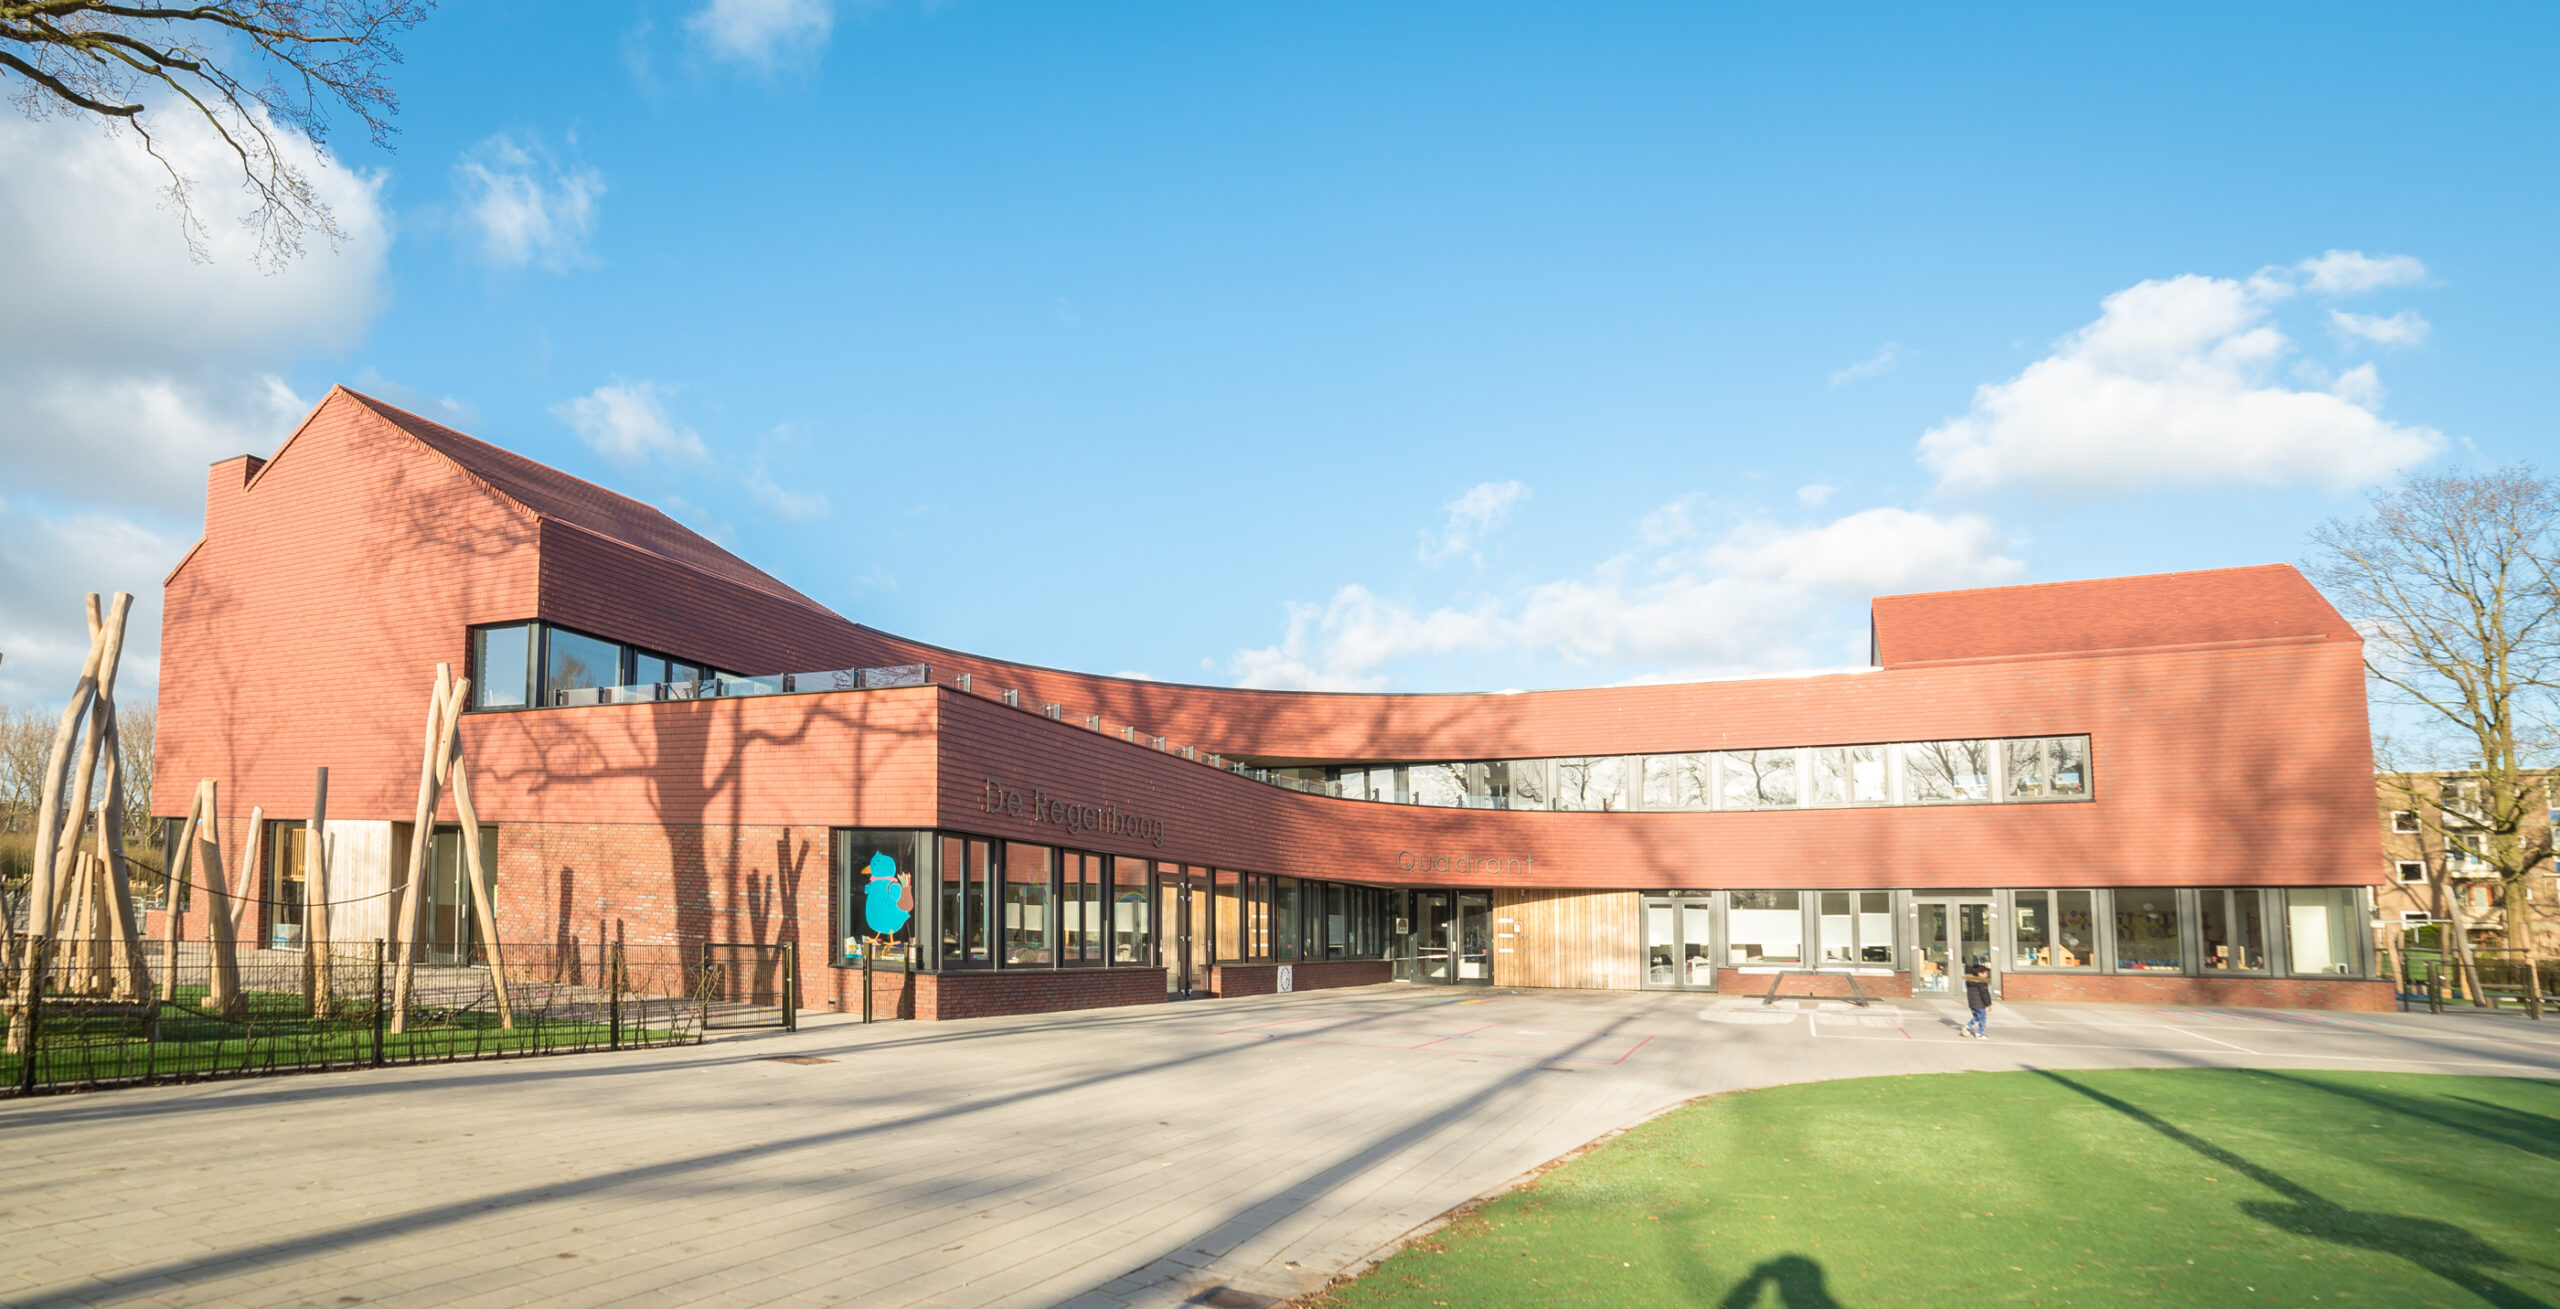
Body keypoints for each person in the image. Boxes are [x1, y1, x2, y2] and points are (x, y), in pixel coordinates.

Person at [1962, 963, 1992, 1039]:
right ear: (1979, 974)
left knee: (1977, 1016)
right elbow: (1984, 994)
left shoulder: (1970, 982)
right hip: (1979, 1003)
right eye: (1985, 973)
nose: (1986, 974)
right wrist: (1988, 1004)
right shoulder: (1981, 983)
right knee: (1982, 1017)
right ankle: (1979, 1033)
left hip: (1972, 1003)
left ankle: (1968, 1026)